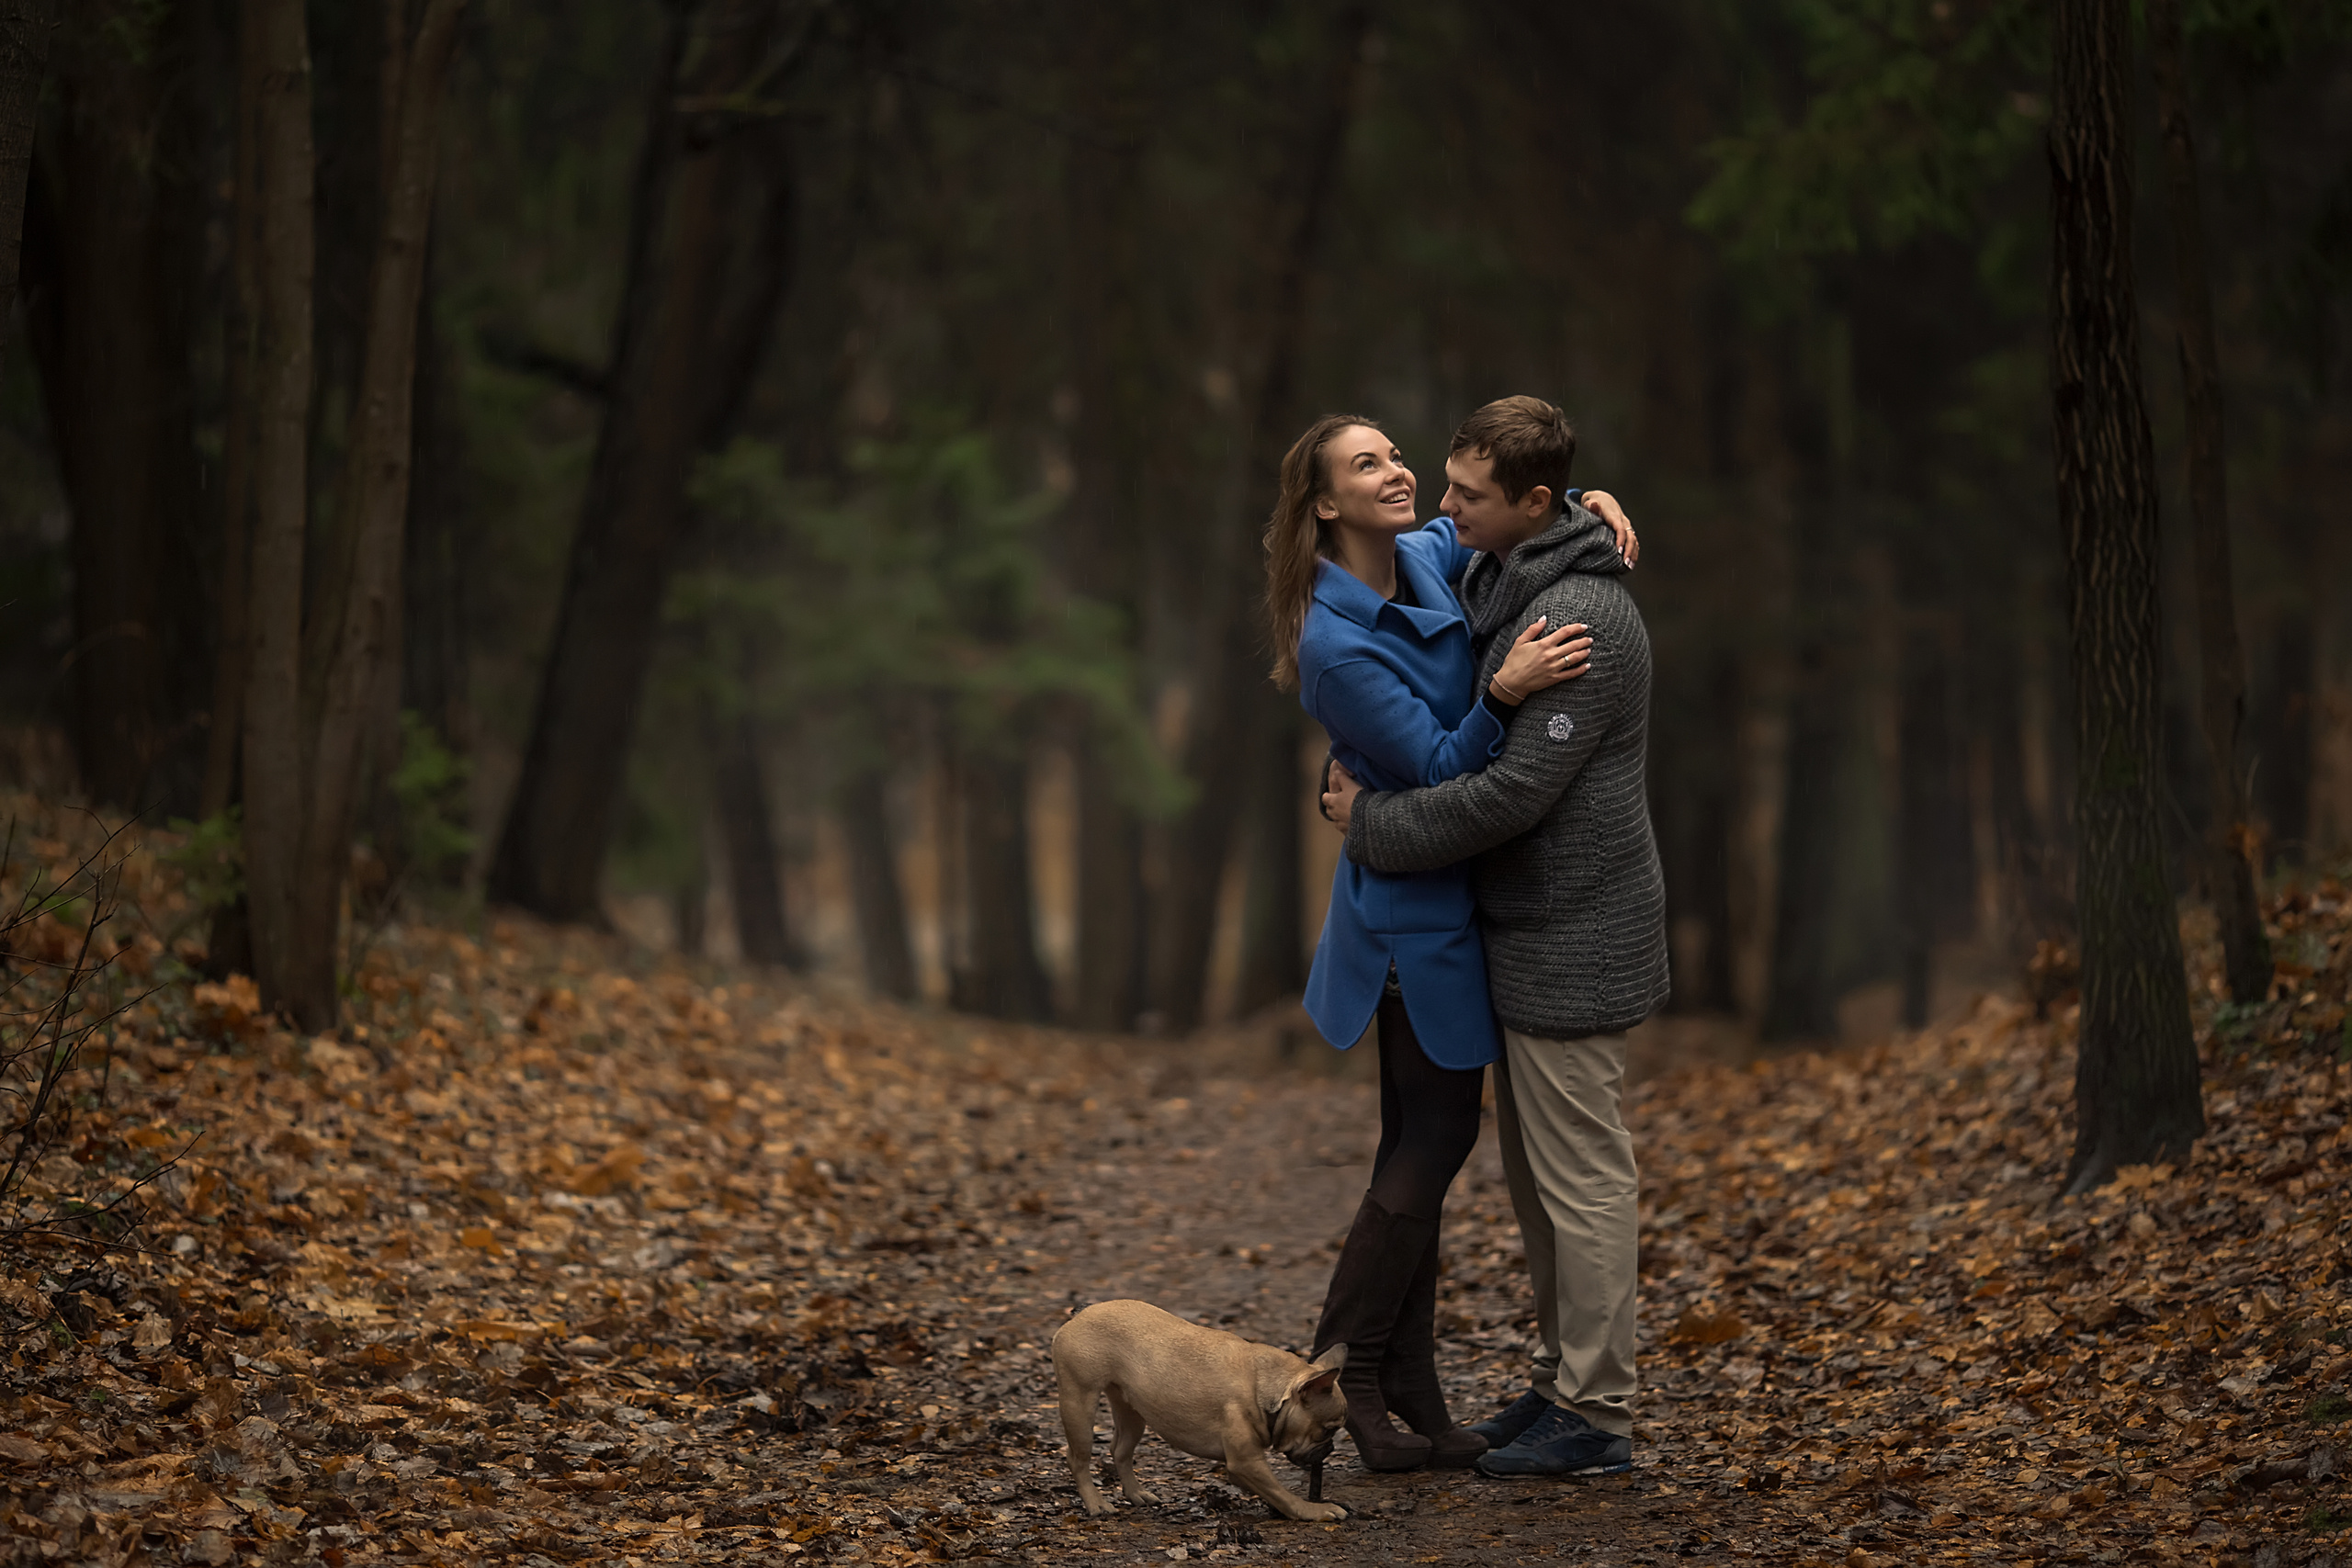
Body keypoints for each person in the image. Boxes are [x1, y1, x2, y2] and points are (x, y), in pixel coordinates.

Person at [1264, 412, 1633, 1473]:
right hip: (1404, 923)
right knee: (1429, 1146)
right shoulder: (1335, 640)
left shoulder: (1419, 554)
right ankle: (1341, 1378)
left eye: (1393, 454)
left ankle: (1407, 1390)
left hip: (1443, 905)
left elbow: (1502, 516)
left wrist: (1585, 506)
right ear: (1324, 505)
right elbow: (1433, 768)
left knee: (1420, 1148)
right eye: (1365, 464)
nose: (1401, 472)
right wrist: (1501, 693)